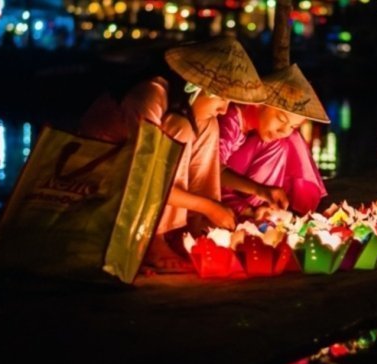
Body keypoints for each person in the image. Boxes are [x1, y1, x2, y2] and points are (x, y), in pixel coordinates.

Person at [76, 36, 267, 273]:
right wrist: (209, 206)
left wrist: (214, 207)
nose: (224, 109)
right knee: (183, 127)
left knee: (208, 125)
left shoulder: (187, 108)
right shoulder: (150, 95)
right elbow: (146, 177)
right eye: (222, 98)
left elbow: (206, 168)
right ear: (194, 87)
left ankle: (195, 228)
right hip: (100, 175)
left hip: (138, 179)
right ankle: (154, 238)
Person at [218, 63, 330, 218]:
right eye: (281, 119)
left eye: (293, 126)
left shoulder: (256, 131)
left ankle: (263, 210)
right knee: (279, 143)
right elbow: (212, 170)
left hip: (235, 189)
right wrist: (260, 189)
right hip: (212, 189)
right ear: (259, 104)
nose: (284, 130)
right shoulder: (230, 119)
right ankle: (249, 211)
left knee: (288, 140)